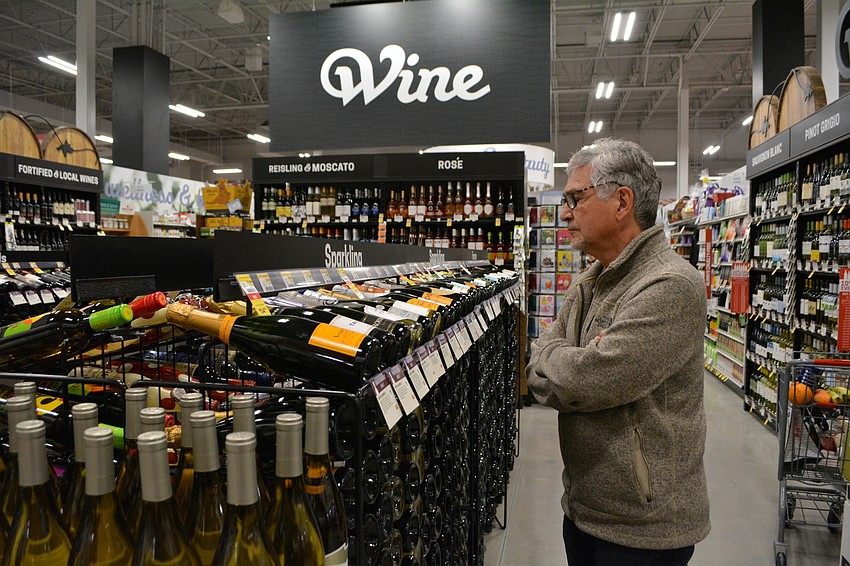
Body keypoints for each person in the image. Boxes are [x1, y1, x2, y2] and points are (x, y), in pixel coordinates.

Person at [526, 138, 710, 566]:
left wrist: (562, 359)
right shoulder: (590, 280)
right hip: (584, 508)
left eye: (576, 197)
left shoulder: (669, 285)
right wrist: (560, 356)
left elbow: (582, 380)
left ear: (622, 201)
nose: (565, 211)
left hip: (643, 529)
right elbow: (541, 359)